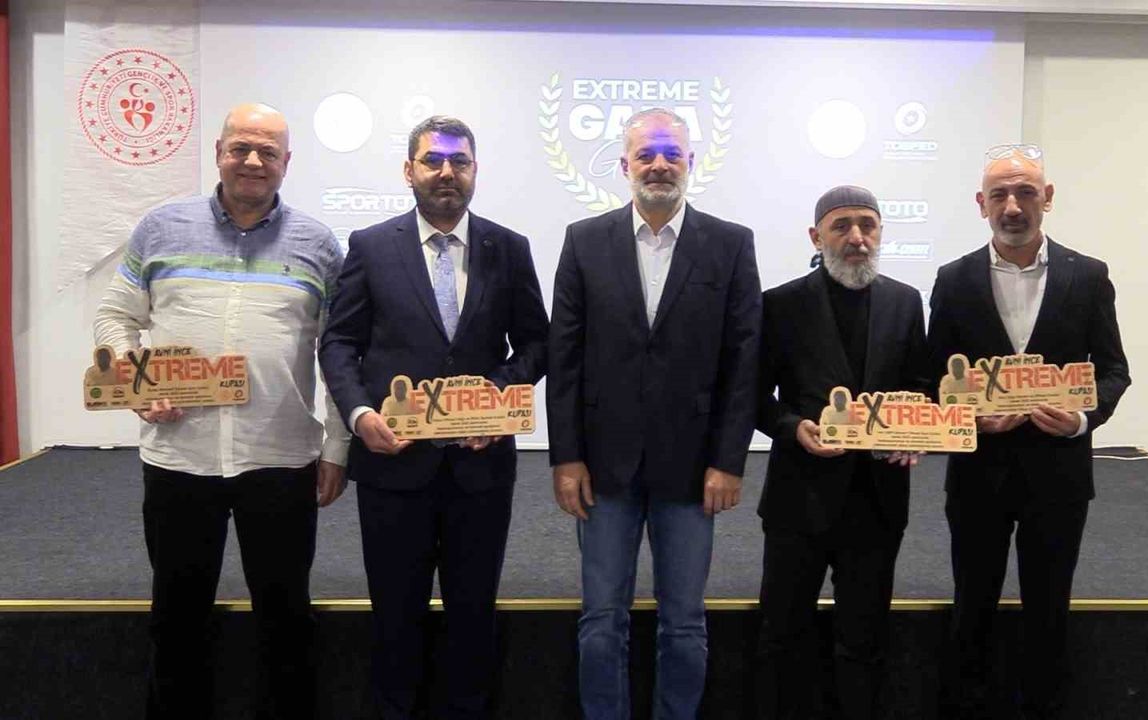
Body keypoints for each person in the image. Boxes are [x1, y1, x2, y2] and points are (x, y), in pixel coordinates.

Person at [93, 103, 348, 720]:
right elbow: (115, 316)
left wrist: (337, 449)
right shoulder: (160, 227)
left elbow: (339, 352)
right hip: (179, 458)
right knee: (176, 619)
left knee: (285, 620)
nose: (253, 161)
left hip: (280, 458)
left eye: (268, 152)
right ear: (218, 153)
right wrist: (133, 380)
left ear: (287, 162)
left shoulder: (319, 244)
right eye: (241, 148)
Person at [318, 115, 548, 720]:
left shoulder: (508, 247)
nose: (447, 172)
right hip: (392, 465)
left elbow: (536, 343)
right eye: (433, 160)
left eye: (459, 161)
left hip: (481, 468)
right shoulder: (371, 246)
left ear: (475, 170)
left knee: (474, 614)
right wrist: (358, 413)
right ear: (409, 170)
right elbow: (339, 342)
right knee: (396, 615)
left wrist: (497, 399)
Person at [546, 107, 762, 719]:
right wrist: (566, 457)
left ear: (691, 162)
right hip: (602, 467)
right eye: (646, 154)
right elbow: (565, 357)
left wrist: (729, 460)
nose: (659, 165)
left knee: (684, 623)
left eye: (671, 154)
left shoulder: (730, 243)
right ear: (624, 166)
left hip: (693, 469)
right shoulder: (583, 240)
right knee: (601, 622)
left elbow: (743, 359)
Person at [927, 144, 1130, 720]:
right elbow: (933, 375)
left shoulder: (1089, 276)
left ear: (1048, 197)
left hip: (1059, 476)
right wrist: (967, 417)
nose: (1012, 206)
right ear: (981, 203)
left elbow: (1113, 370)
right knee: (972, 608)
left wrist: (1081, 420)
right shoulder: (953, 279)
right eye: (1000, 195)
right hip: (978, 476)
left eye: (1025, 192)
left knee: (1049, 610)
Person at [754, 185, 930, 718]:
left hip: (877, 500)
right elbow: (754, 395)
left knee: (864, 641)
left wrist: (913, 433)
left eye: (867, 225)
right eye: (842, 226)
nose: (857, 237)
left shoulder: (906, 301)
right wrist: (793, 428)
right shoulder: (781, 304)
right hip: (799, 498)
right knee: (783, 635)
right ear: (816, 236)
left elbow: (920, 386)